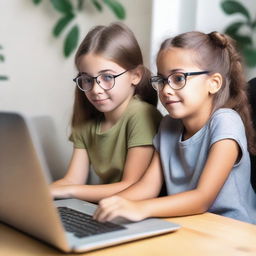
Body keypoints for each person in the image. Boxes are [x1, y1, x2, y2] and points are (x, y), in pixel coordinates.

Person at [94, 31, 256, 224]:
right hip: (187, 224)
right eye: (161, 80)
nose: (166, 90)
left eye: (178, 78)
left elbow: (202, 198)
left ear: (213, 83)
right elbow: (148, 187)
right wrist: (113, 204)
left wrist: (140, 208)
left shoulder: (225, 122)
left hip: (232, 232)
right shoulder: (168, 125)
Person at [50, 22, 162, 203]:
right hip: (106, 208)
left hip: (140, 211)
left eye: (107, 77)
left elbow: (132, 185)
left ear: (136, 75)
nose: (96, 89)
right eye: (87, 79)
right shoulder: (86, 122)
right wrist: (39, 193)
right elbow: (72, 180)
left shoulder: (141, 115)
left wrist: (69, 191)